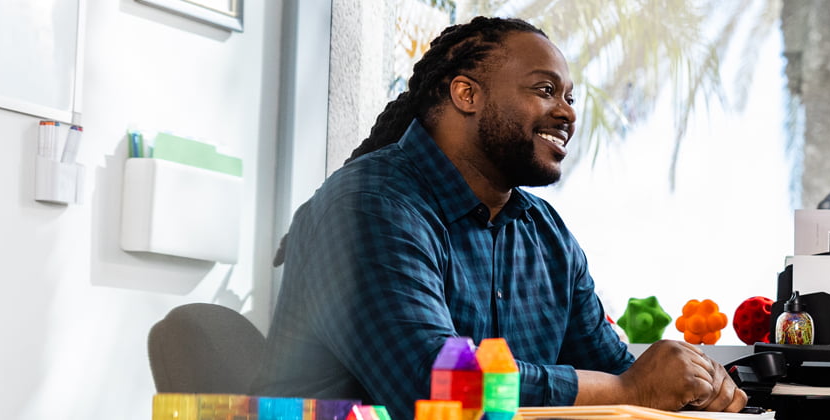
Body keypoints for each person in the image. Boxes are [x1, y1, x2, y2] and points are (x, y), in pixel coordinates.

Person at [254, 17, 746, 417]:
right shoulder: (369, 206)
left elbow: (615, 370)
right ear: (466, 95)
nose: (569, 113)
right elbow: (435, 384)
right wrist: (628, 388)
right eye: (545, 89)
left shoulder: (546, 234)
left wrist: (694, 386)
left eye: (570, 97)